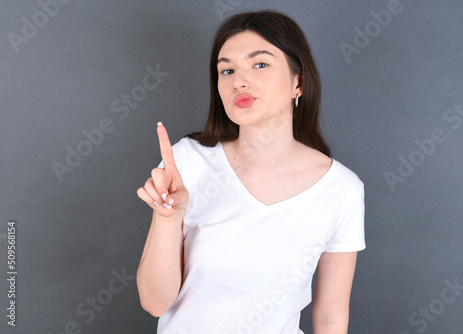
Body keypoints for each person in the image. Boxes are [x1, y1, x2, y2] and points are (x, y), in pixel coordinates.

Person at [136, 10, 365, 334]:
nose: (239, 80)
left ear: (298, 82)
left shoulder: (342, 189)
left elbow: (331, 318)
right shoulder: (186, 162)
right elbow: (155, 302)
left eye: (260, 64)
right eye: (226, 69)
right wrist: (168, 217)